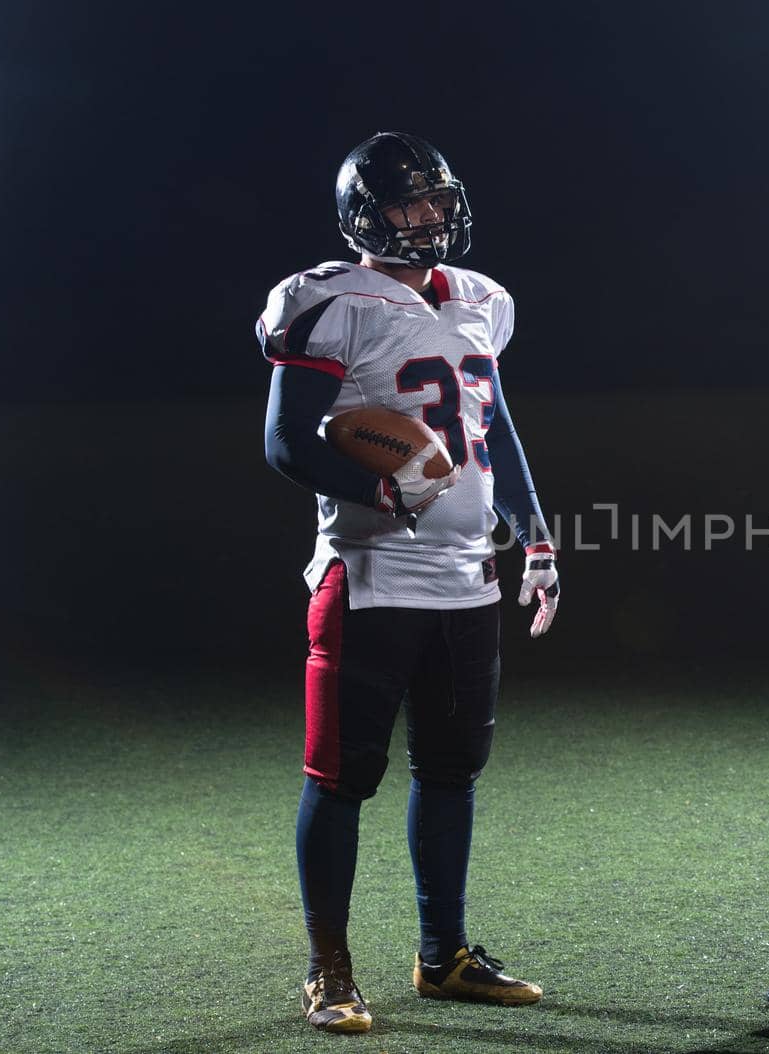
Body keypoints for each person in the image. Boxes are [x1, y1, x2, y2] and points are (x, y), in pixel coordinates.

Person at [257, 131, 559, 1034]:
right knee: (344, 776)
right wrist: (381, 487)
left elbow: (493, 428)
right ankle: (330, 970)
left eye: (437, 199)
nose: (430, 216)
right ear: (364, 215)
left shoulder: (481, 300)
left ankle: (445, 956)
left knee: (453, 771)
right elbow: (285, 441)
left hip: (469, 579)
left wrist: (536, 540)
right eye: (409, 203)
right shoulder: (327, 301)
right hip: (371, 573)